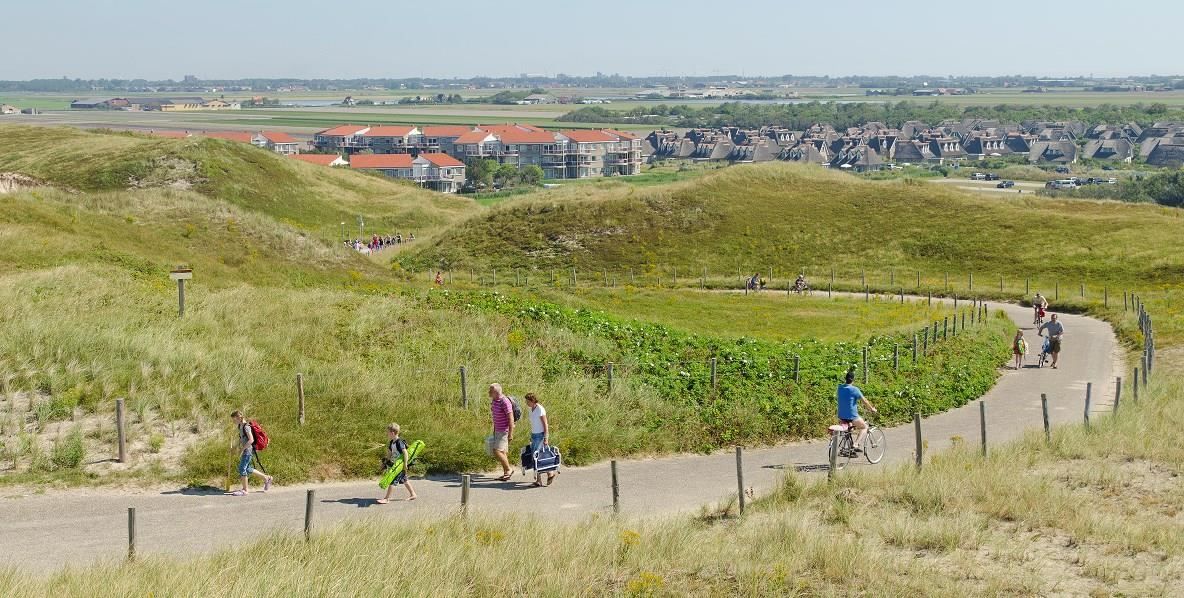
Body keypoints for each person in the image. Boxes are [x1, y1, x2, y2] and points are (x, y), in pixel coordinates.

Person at [230, 411, 273, 496]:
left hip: (248, 450)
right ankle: (266, 478)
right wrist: (235, 448)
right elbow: (242, 439)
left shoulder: (246, 427)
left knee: (242, 468)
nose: (233, 422)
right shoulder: (240, 426)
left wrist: (242, 450)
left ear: (239, 418)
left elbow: (251, 440)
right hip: (246, 449)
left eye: (234, 419)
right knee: (248, 468)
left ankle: (245, 490)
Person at [836, 369, 878, 455]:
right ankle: (856, 444)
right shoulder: (854, 389)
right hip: (852, 416)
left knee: (850, 428)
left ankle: (850, 450)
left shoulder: (840, 388)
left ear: (845, 378)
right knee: (864, 427)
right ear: (853, 379)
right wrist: (872, 409)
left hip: (841, 415)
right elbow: (865, 401)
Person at [377, 423, 416, 504]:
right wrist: (384, 463)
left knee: (392, 481)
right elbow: (389, 454)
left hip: (400, 466)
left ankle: (386, 499)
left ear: (392, 433)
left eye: (387, 432)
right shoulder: (392, 442)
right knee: (404, 480)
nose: (387, 434)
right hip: (395, 465)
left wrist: (405, 464)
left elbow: (405, 453)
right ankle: (413, 494)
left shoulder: (399, 442)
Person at [524, 393, 557, 487]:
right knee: (537, 457)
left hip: (540, 436)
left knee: (537, 457)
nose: (526, 403)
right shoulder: (531, 410)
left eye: (528, 401)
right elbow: (534, 424)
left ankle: (543, 478)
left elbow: (545, 424)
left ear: (533, 400)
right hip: (534, 435)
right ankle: (548, 474)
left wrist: (546, 438)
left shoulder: (540, 409)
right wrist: (532, 435)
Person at [487, 383, 515, 481]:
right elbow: (495, 416)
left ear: (495, 392)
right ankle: (506, 473)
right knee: (502, 452)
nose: (489, 392)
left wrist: (511, 433)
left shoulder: (505, 401)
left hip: (504, 431)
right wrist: (494, 430)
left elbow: (511, 419)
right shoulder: (495, 401)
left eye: (490, 391)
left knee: (497, 451)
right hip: (498, 430)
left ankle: (508, 469)